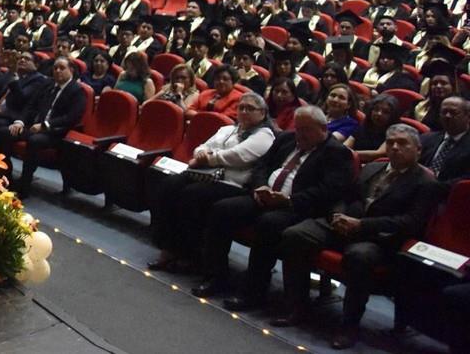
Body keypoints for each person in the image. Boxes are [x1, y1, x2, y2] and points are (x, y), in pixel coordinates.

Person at [275, 124, 440, 349]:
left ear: (418, 150)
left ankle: (348, 326)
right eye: (390, 143)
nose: (394, 148)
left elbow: (410, 222)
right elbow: (345, 195)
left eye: (402, 144)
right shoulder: (373, 167)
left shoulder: (425, 182)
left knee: (359, 256)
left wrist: (361, 225)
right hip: (344, 224)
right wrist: (337, 215)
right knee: (296, 235)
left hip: (379, 238)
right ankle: (297, 306)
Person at [192, 106, 353, 306]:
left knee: (268, 223)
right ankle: (215, 276)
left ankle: (253, 292)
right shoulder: (287, 139)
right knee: (223, 209)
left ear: (323, 129)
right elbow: (262, 166)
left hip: (298, 208)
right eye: (298, 128)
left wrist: (287, 200)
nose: (300, 134)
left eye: (306, 129)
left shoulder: (337, 153)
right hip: (265, 196)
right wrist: (260, 187)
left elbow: (328, 192)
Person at [148, 93, 275, 272]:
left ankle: (190, 253)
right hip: (207, 174)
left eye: (250, 108)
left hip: (234, 184)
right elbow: (203, 147)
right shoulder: (229, 129)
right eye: (241, 107)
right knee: (170, 185)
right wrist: (202, 155)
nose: (244, 111)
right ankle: (167, 248)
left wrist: (208, 159)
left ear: (262, 113)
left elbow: (238, 156)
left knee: (191, 195)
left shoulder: (265, 135)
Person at [10, 57, 87, 197]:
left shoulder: (77, 90)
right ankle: (5, 175)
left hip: (57, 133)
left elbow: (71, 118)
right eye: (55, 68)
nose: (57, 71)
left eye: (62, 68)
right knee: (5, 131)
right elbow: (31, 106)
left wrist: (45, 126)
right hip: (36, 127)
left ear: (71, 70)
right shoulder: (49, 85)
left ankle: (24, 186)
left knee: (34, 141)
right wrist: (19, 122)